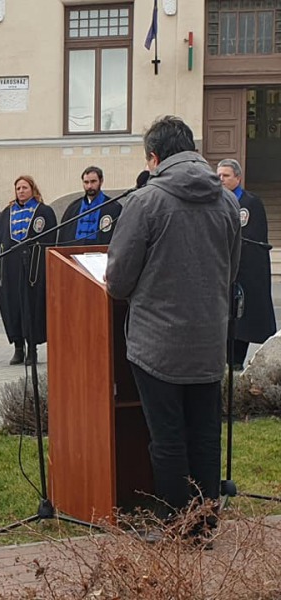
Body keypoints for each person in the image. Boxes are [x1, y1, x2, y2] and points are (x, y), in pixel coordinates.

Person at [106, 116, 241, 533]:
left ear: (154, 157)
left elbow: (119, 280)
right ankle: (204, 522)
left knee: (166, 438)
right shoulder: (227, 202)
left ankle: (177, 525)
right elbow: (230, 270)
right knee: (204, 433)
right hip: (208, 342)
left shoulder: (146, 202)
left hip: (157, 344)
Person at [216, 158, 276, 370]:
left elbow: (251, 240)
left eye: (226, 176)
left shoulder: (250, 203)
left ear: (238, 178)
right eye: (219, 176)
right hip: (220, 274)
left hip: (244, 275)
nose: (221, 180)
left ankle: (236, 363)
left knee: (241, 323)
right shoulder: (214, 202)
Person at [0, 175, 57, 367]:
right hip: (11, 269)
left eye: (25, 188)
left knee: (32, 306)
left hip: (33, 269)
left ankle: (32, 348)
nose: (21, 191)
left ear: (32, 189)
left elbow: (50, 240)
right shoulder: (6, 213)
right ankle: (18, 347)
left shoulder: (43, 212)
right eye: (18, 188)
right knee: (13, 306)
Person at [57, 166, 122, 246]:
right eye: (86, 182)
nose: (89, 186)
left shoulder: (114, 207)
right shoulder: (73, 208)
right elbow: (63, 236)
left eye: (93, 181)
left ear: (101, 181)